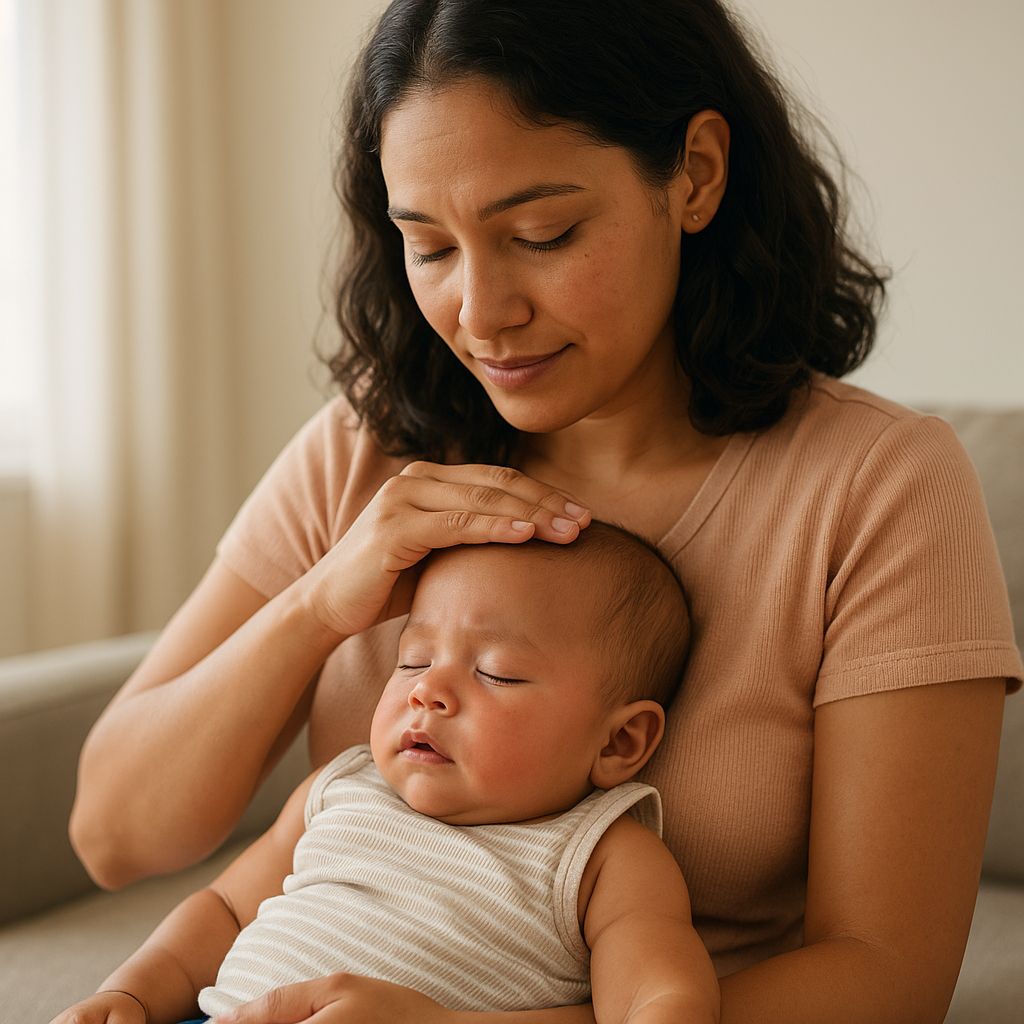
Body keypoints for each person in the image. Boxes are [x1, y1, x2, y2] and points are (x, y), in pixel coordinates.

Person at [69, 1, 1023, 1021]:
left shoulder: (879, 486)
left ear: (694, 174)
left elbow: (889, 974)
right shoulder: (367, 445)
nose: (480, 314)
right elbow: (117, 834)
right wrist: (318, 604)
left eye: (541, 233)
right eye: (428, 247)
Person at [51, 525, 719, 1024]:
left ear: (621, 740)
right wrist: (130, 992)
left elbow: (658, 997)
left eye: (495, 672)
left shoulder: (601, 855)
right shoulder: (340, 788)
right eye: (413, 660)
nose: (427, 691)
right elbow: (224, 909)